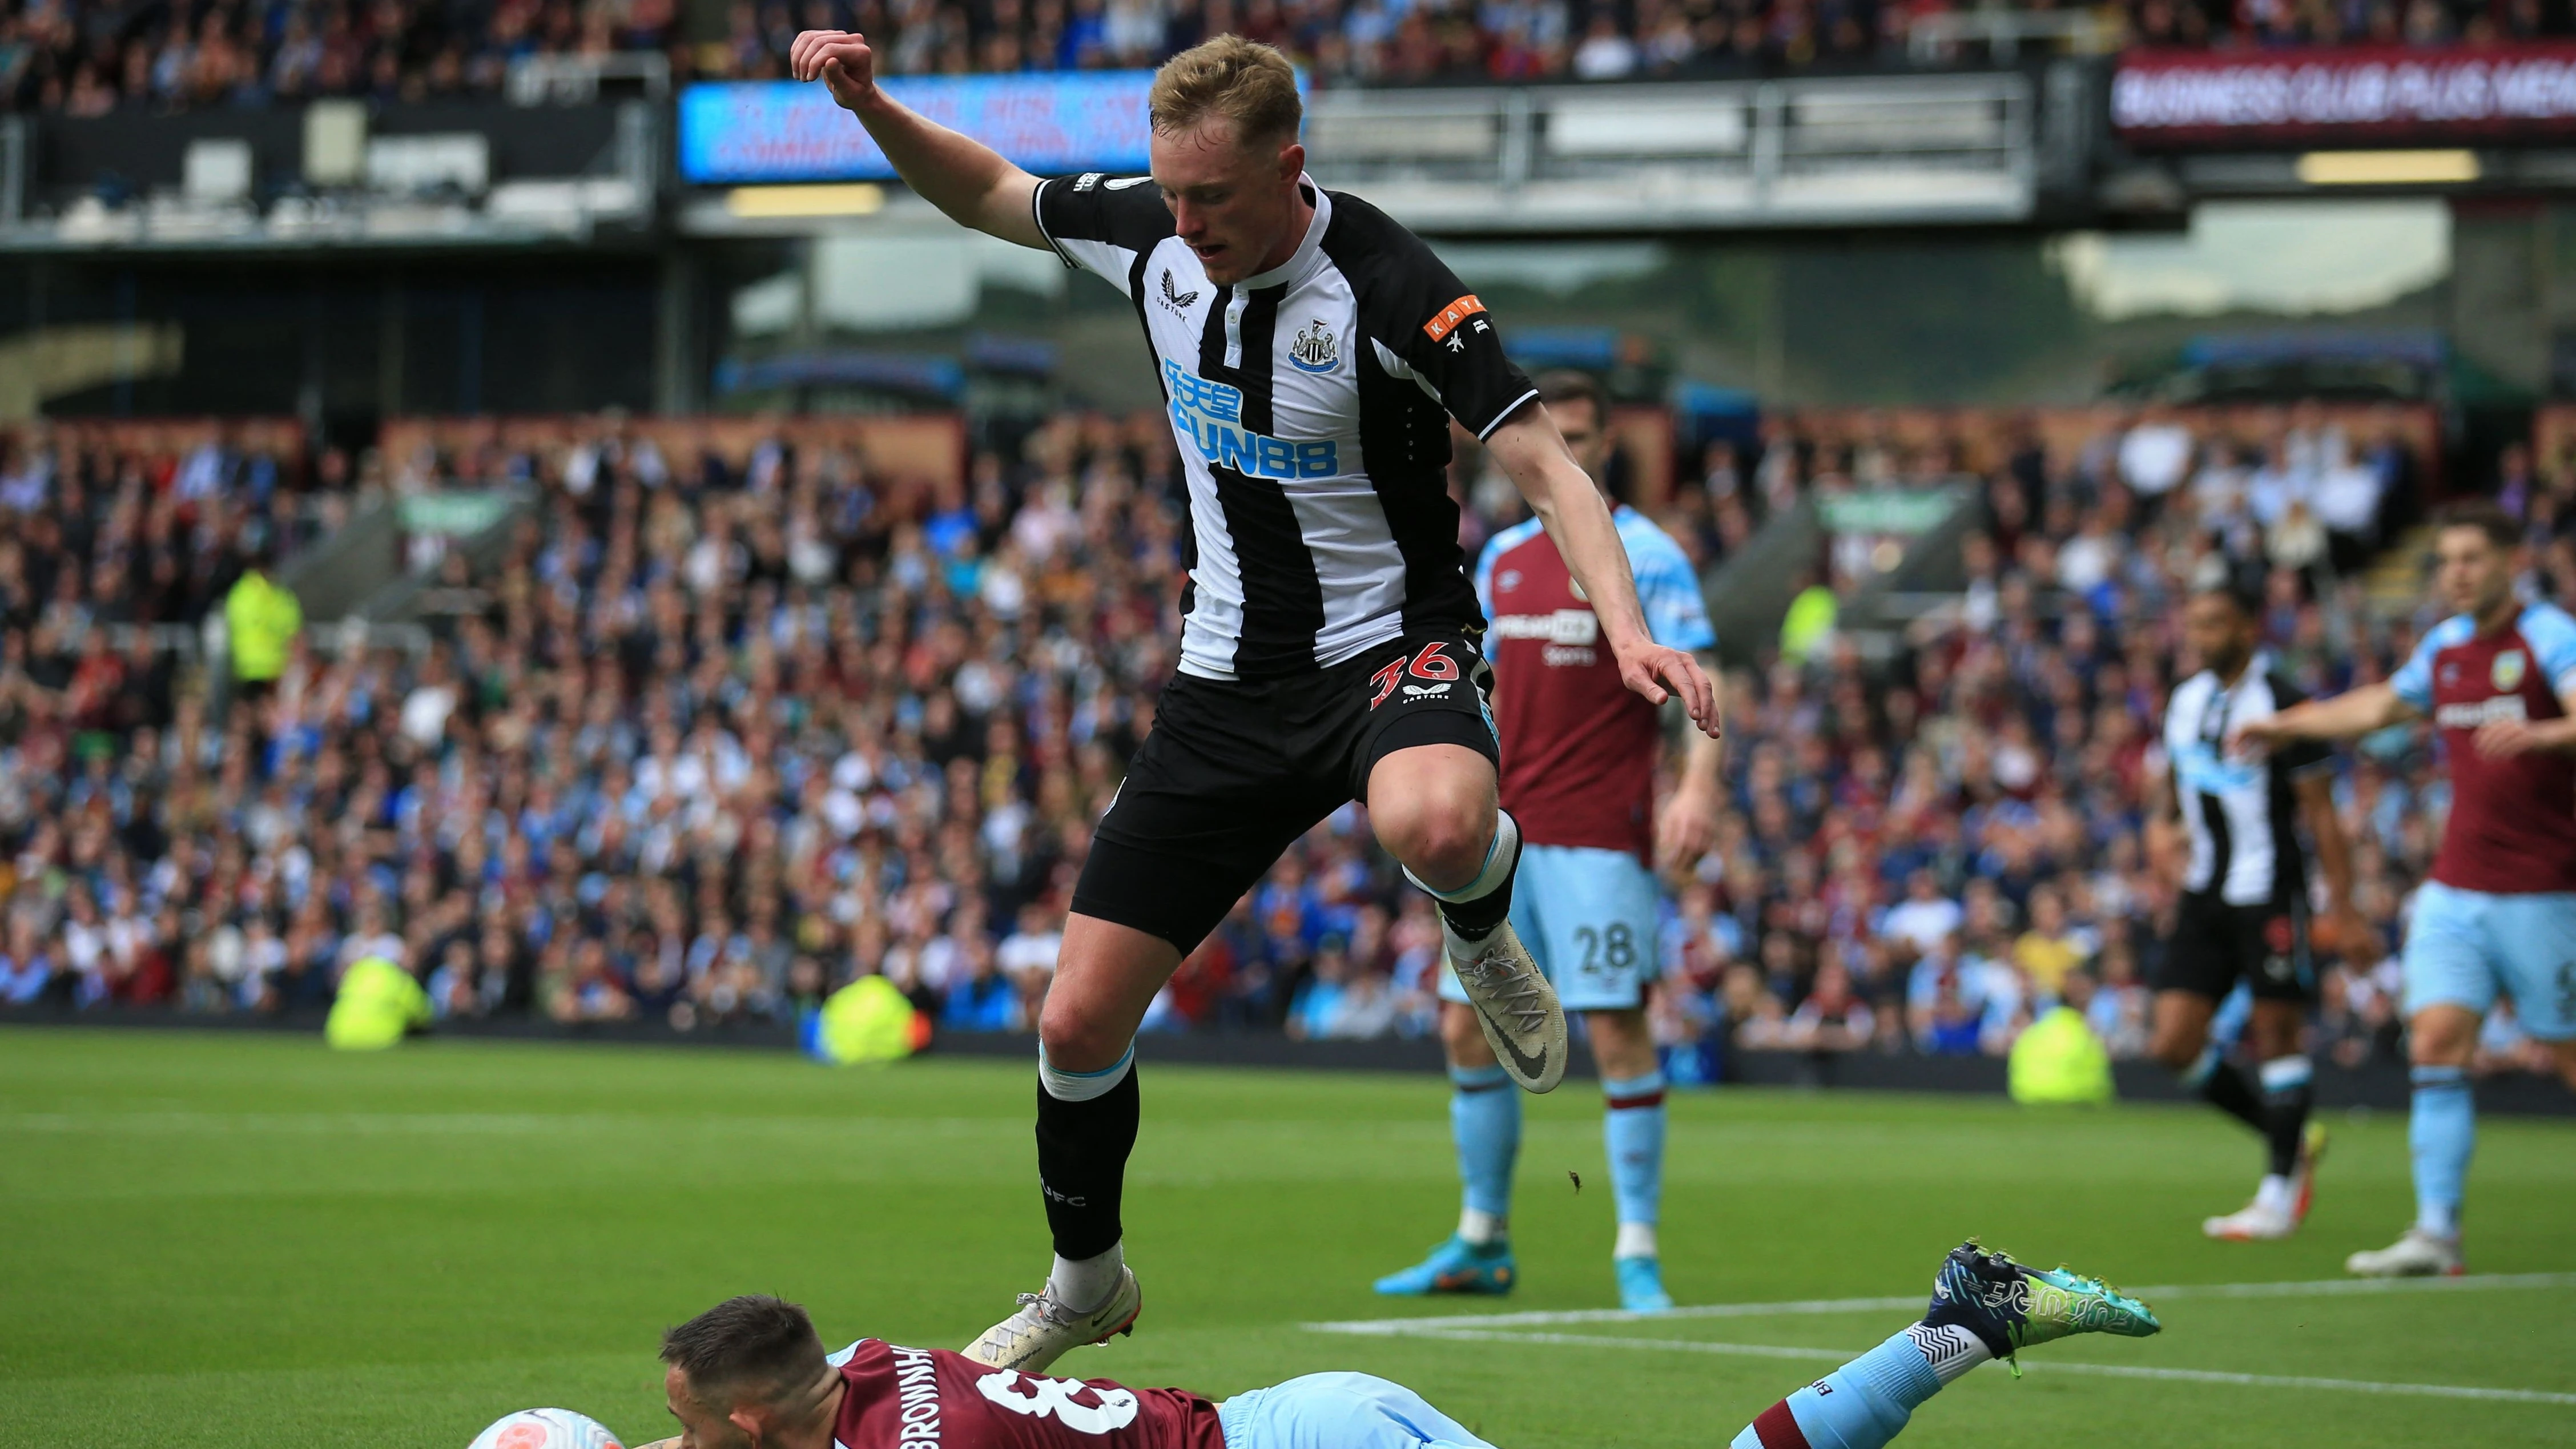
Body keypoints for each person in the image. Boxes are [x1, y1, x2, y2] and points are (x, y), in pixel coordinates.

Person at [783, 31, 1720, 1371]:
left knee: (1441, 823)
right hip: (1224, 681)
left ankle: (1478, 917)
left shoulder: (1393, 282)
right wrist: (874, 108)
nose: (1184, 224)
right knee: (1074, 1019)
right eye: (1170, 194)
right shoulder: (1155, 242)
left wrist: (1625, 634)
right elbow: (992, 191)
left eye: (1211, 198)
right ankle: (1084, 1281)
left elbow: (1547, 465)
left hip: (1392, 646)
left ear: (1288, 167)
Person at [1372, 370, 1722, 1313]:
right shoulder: (1505, 559)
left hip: (1598, 833)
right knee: (1462, 1022)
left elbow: (1700, 677)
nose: (1563, 450)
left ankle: (1636, 1250)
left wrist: (1694, 786)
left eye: (1579, 435)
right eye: (1548, 435)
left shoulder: (1646, 555)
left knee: (1613, 1023)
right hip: (1500, 834)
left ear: (1608, 442)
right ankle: (1482, 1238)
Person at [633, 1243, 2158, 1449]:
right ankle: (1959, 1321)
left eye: (690, 1424)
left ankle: (1960, 1323)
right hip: (1306, 1415)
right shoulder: (878, 1367)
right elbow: (988, 1355)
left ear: (758, 1422)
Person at [2232, 501, 2576, 1277]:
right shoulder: (2448, 646)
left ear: (2511, 562)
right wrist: (2291, 724)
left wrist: (2544, 732)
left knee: (2568, 1055)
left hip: (2544, 893)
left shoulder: (2550, 636)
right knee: (2433, 1045)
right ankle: (2435, 1232)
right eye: (2447, 558)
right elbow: (2383, 704)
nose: (2455, 572)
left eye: (2471, 558)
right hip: (2455, 890)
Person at [2142, 579, 2360, 1242]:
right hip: (2205, 891)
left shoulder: (2288, 706)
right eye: (2193, 626)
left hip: (2269, 890)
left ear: (2246, 630)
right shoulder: (2185, 701)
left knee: (2277, 1035)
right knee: (2173, 1044)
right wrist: (2160, 828)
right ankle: (2290, 1135)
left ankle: (2276, 1197)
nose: (2199, 639)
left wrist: (2343, 907)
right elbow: (2173, 785)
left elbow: (2322, 815)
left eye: (2213, 626)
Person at [222, 543, 302, 710]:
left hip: (247, 668)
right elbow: (294, 632)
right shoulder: (279, 596)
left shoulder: (239, 594)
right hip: (270, 668)